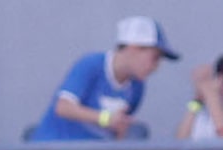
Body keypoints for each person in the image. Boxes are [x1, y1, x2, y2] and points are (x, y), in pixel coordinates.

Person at [33, 18, 174, 142]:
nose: (156, 66)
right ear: (133, 48)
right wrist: (105, 118)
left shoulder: (137, 86)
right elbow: (63, 107)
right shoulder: (91, 64)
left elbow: (118, 128)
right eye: (154, 58)